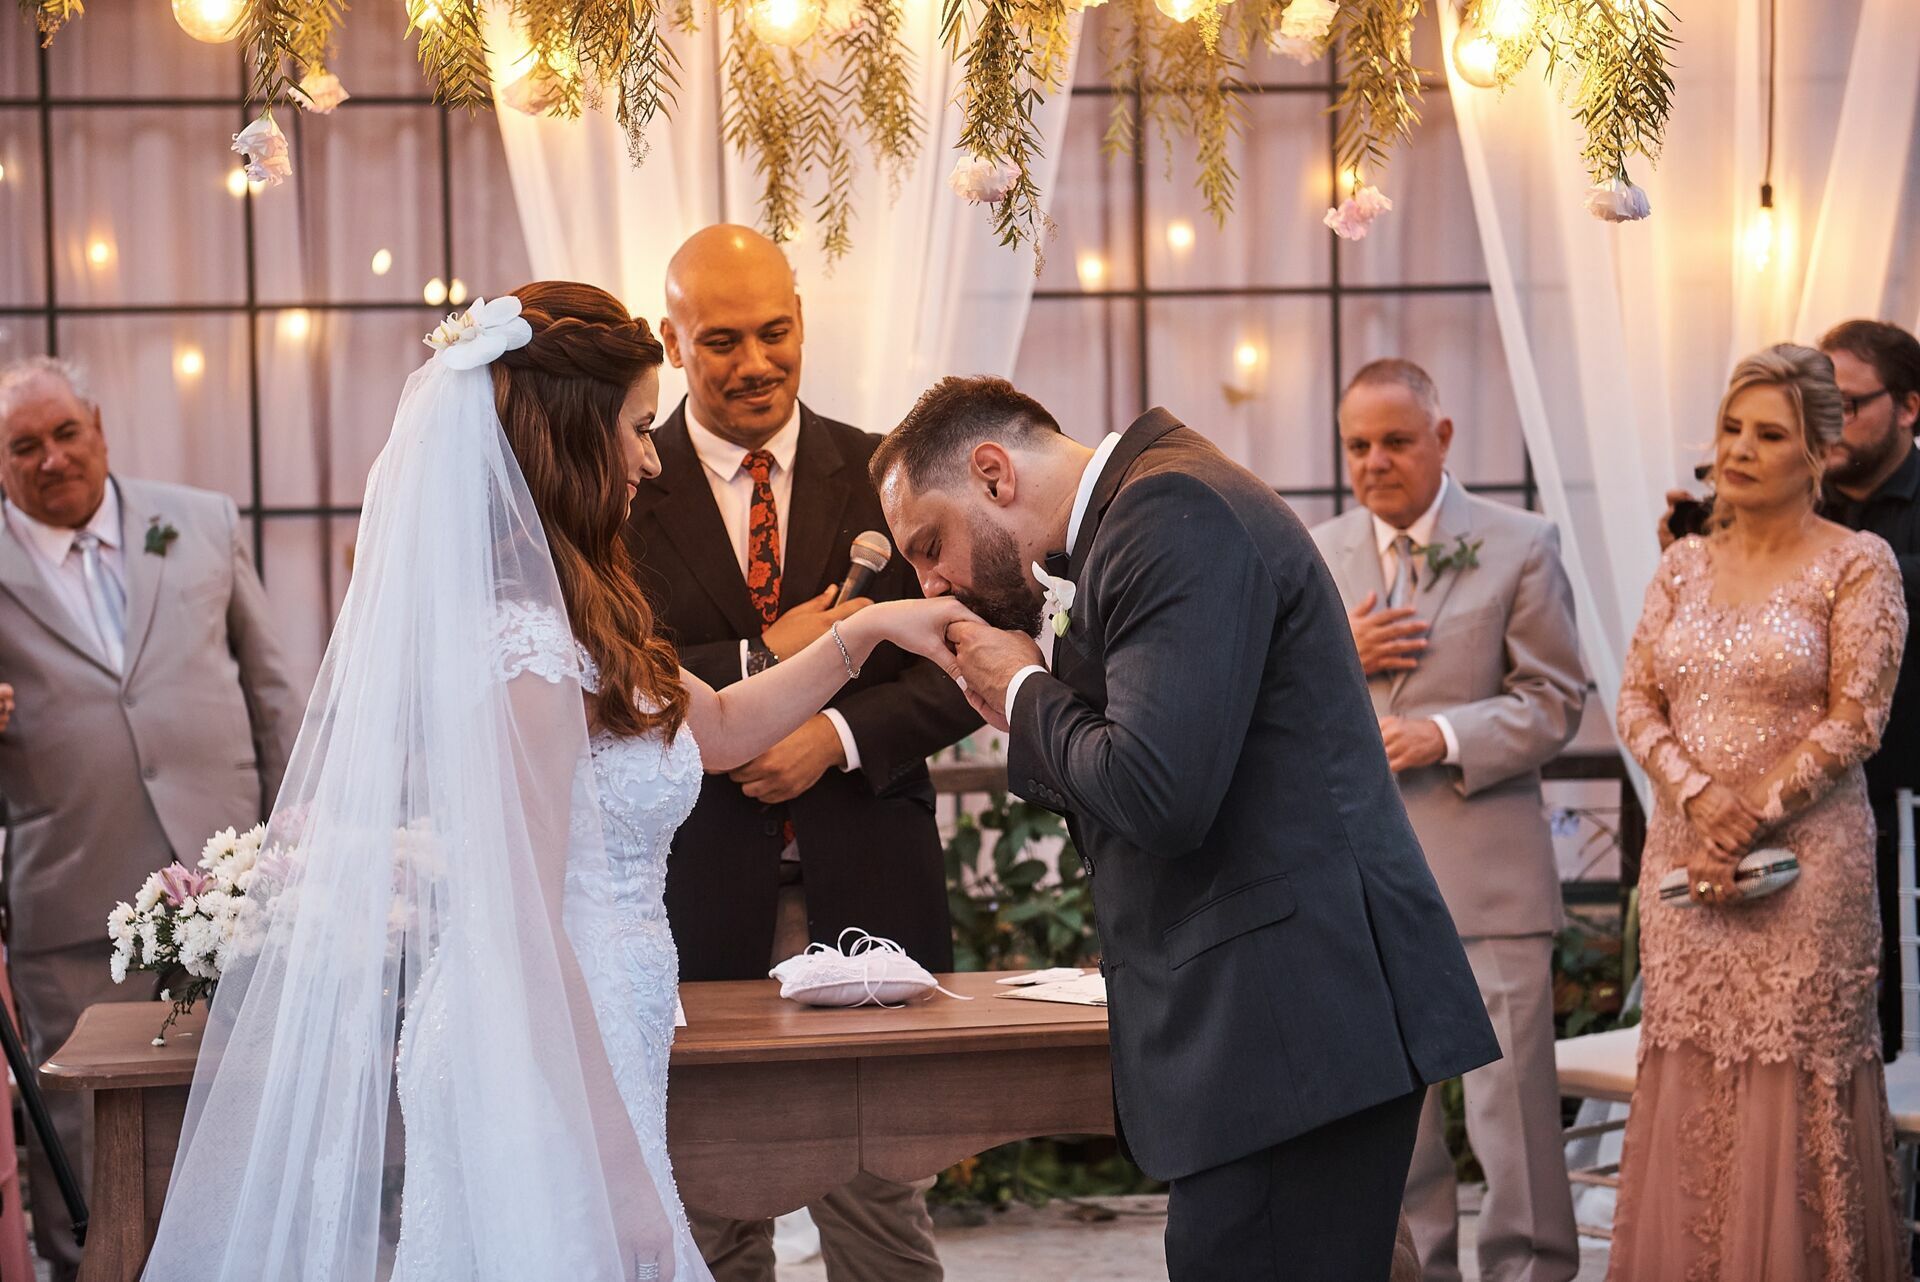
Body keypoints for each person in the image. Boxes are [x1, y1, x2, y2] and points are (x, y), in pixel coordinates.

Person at [139, 285, 973, 1281]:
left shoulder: (574, 610)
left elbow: (716, 729)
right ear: (577, 438)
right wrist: (619, 1177)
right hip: (538, 1054)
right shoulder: (526, 649)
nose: (651, 459)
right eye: (637, 428)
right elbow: (522, 922)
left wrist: (868, 631)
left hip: (597, 1037)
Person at [872, 376, 1501, 1281]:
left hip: (1287, 1021)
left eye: (930, 546)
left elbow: (1158, 793)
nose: (931, 583)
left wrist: (1024, 686)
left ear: (993, 473)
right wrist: (1030, 705)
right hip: (1281, 1023)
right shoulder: (1146, 508)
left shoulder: (1169, 510)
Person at [624, 226, 975, 1281]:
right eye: (720, 340)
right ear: (672, 343)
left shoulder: (883, 471)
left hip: (867, 878)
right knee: (710, 1215)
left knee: (881, 1214)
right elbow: (606, 664)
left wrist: (836, 737)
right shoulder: (623, 483)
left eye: (774, 332)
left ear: (804, 322)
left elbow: (964, 654)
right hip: (691, 896)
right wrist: (755, 658)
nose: (755, 362)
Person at [0, 356, 302, 1282]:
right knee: (86, 1137)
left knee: (245, 1113)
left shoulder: (199, 520)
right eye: (23, 447)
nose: (52, 459)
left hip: (234, 888)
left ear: (98, 426)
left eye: (66, 433)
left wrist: (297, 838)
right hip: (73, 902)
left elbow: (273, 689)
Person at [1612, 344, 1909, 1280]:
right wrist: (1701, 800)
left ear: (1820, 452)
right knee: (1692, 1072)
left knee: (1793, 1081)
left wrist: (1752, 813)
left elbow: (1858, 716)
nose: (1739, 449)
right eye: (1732, 428)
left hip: (1806, 871)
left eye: (1769, 435)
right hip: (1685, 866)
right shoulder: (1682, 566)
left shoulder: (1858, 563)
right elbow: (1636, 702)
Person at [1310, 359, 1584, 1282]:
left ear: (1443, 437)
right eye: (1357, 445)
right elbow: (1276, 710)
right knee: (1401, 1127)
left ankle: (1533, 1271)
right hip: (1362, 886)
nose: (1375, 462)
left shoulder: (1522, 542)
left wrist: (1443, 734)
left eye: (1395, 441)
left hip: (1489, 879)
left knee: (1514, 1123)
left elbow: (1555, 701)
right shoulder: (1316, 554)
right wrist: (1336, 653)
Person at [1659, 320, 1920, 1056]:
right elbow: (1659, 689)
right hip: (1748, 814)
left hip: (1874, 792)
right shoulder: (1763, 520)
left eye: (1848, 403)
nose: (1831, 418)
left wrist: (1832, 566)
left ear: (1909, 406)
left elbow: (1857, 710)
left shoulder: (1851, 554)